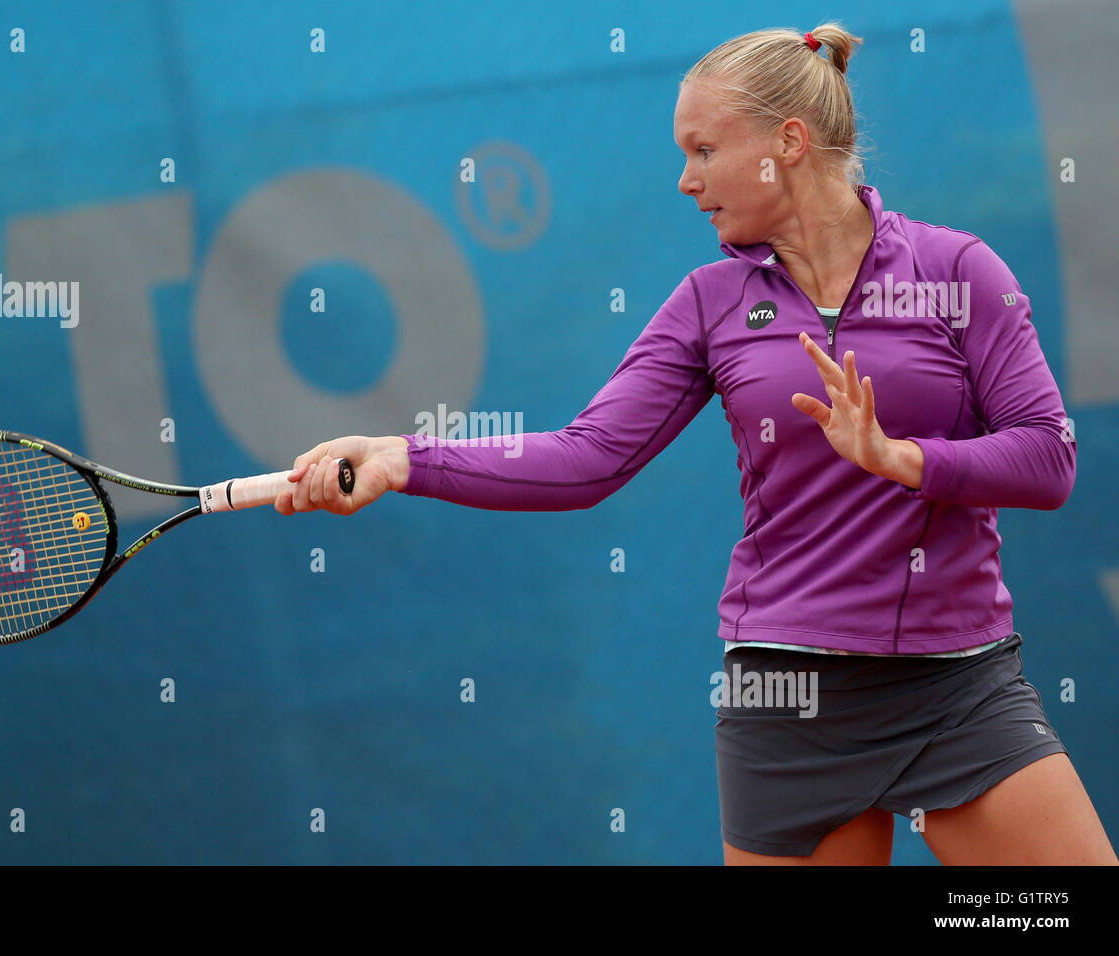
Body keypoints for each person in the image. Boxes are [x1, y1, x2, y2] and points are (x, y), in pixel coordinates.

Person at [273, 23, 1117, 866]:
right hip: (789, 700)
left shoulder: (958, 272)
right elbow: (587, 456)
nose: (686, 181)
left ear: (786, 143)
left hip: (959, 686)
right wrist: (401, 457)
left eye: (704, 150)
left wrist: (906, 459)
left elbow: (1048, 458)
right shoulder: (709, 304)